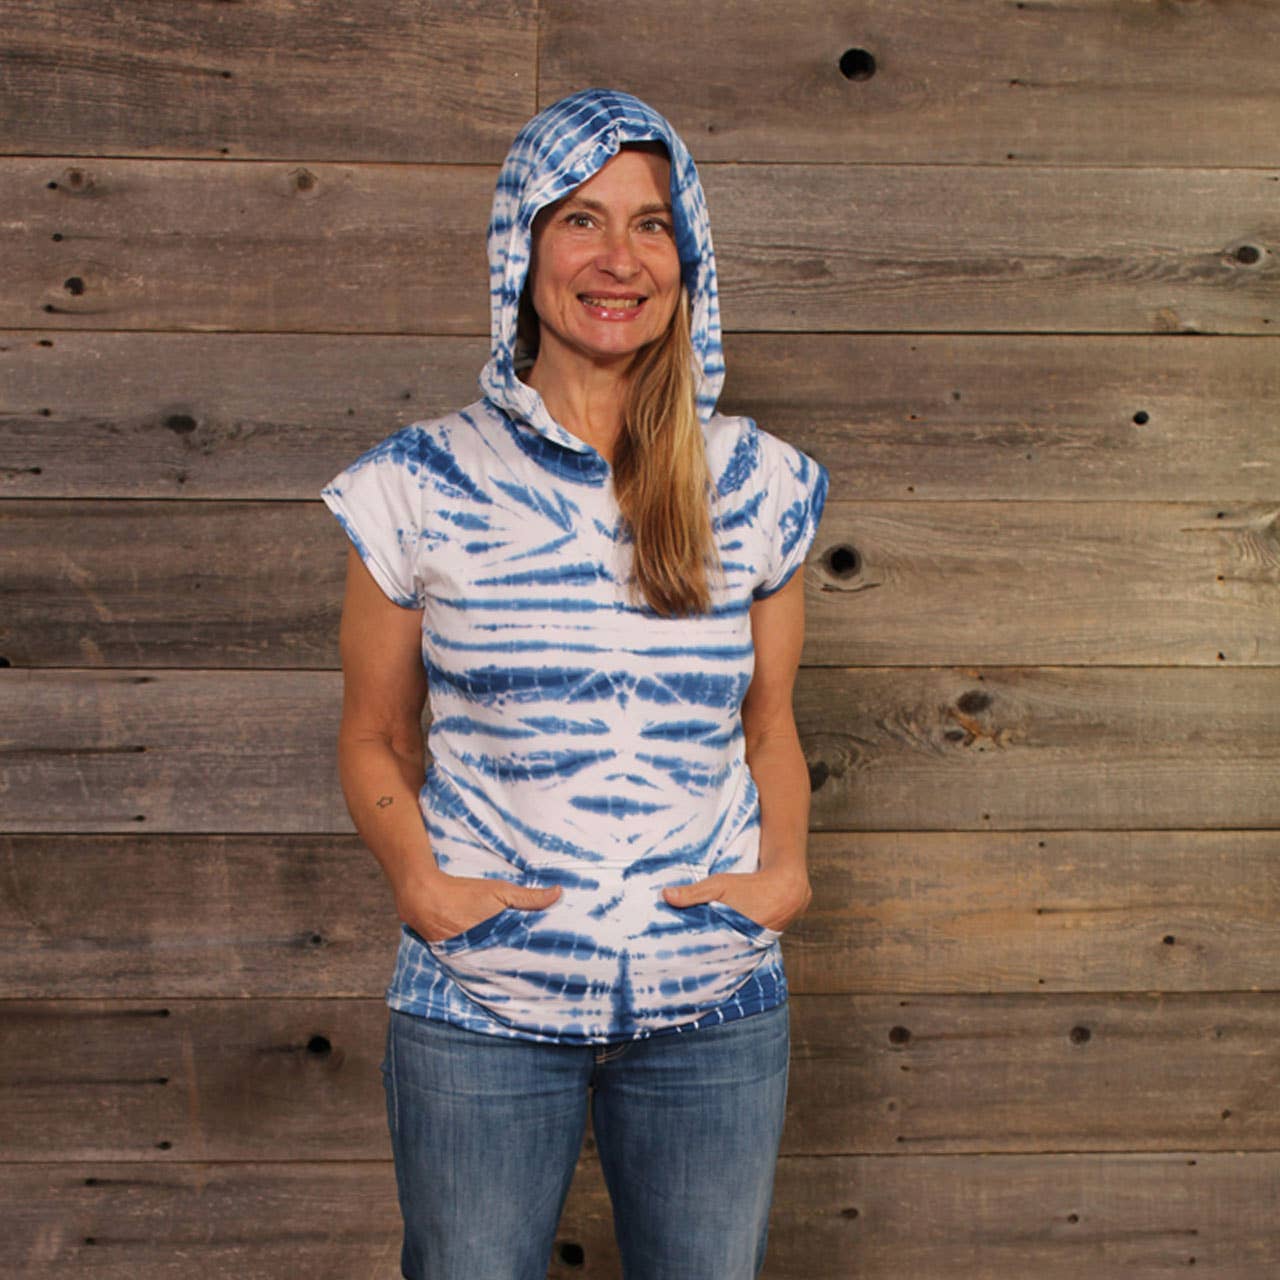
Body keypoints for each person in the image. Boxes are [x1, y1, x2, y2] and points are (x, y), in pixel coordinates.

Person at [321, 88, 829, 1280]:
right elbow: (373, 734)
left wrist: (785, 874)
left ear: (685, 258)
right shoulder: (414, 482)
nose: (618, 258)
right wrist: (420, 884)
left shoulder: (756, 482)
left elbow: (769, 728)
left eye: (650, 224)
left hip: (710, 998)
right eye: (581, 220)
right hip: (479, 1002)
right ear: (522, 244)